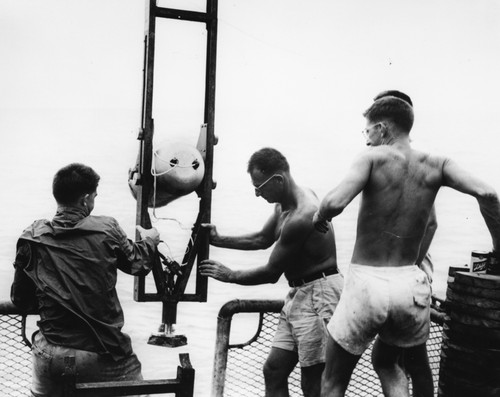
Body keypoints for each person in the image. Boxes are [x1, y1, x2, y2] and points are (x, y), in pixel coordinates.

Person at [313, 95, 500, 397]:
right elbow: (488, 194)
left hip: (367, 283)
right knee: (387, 363)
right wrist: (498, 249)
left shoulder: (371, 159)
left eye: (368, 131)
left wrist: (319, 215)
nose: (368, 140)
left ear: (383, 129)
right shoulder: (438, 164)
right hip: (409, 286)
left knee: (333, 381)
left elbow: (335, 202)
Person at [200, 147, 344, 397]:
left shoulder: (302, 215)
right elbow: (262, 238)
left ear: (278, 179)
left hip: (320, 295)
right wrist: (219, 239)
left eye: (260, 187)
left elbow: (271, 272)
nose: (257, 194)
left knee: (312, 381)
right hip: (299, 293)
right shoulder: (283, 206)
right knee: (274, 370)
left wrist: (229, 275)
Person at [10, 163, 161, 397]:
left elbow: (20, 300)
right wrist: (150, 240)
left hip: (51, 354)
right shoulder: (106, 228)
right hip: (99, 353)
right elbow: (138, 264)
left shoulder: (31, 236)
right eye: (94, 197)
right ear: (86, 198)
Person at [373, 90, 436, 397]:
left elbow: (432, 222)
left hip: (406, 274)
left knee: (414, 361)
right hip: (398, 276)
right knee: (395, 359)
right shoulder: (391, 162)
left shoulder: (412, 164)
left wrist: (408, 264)